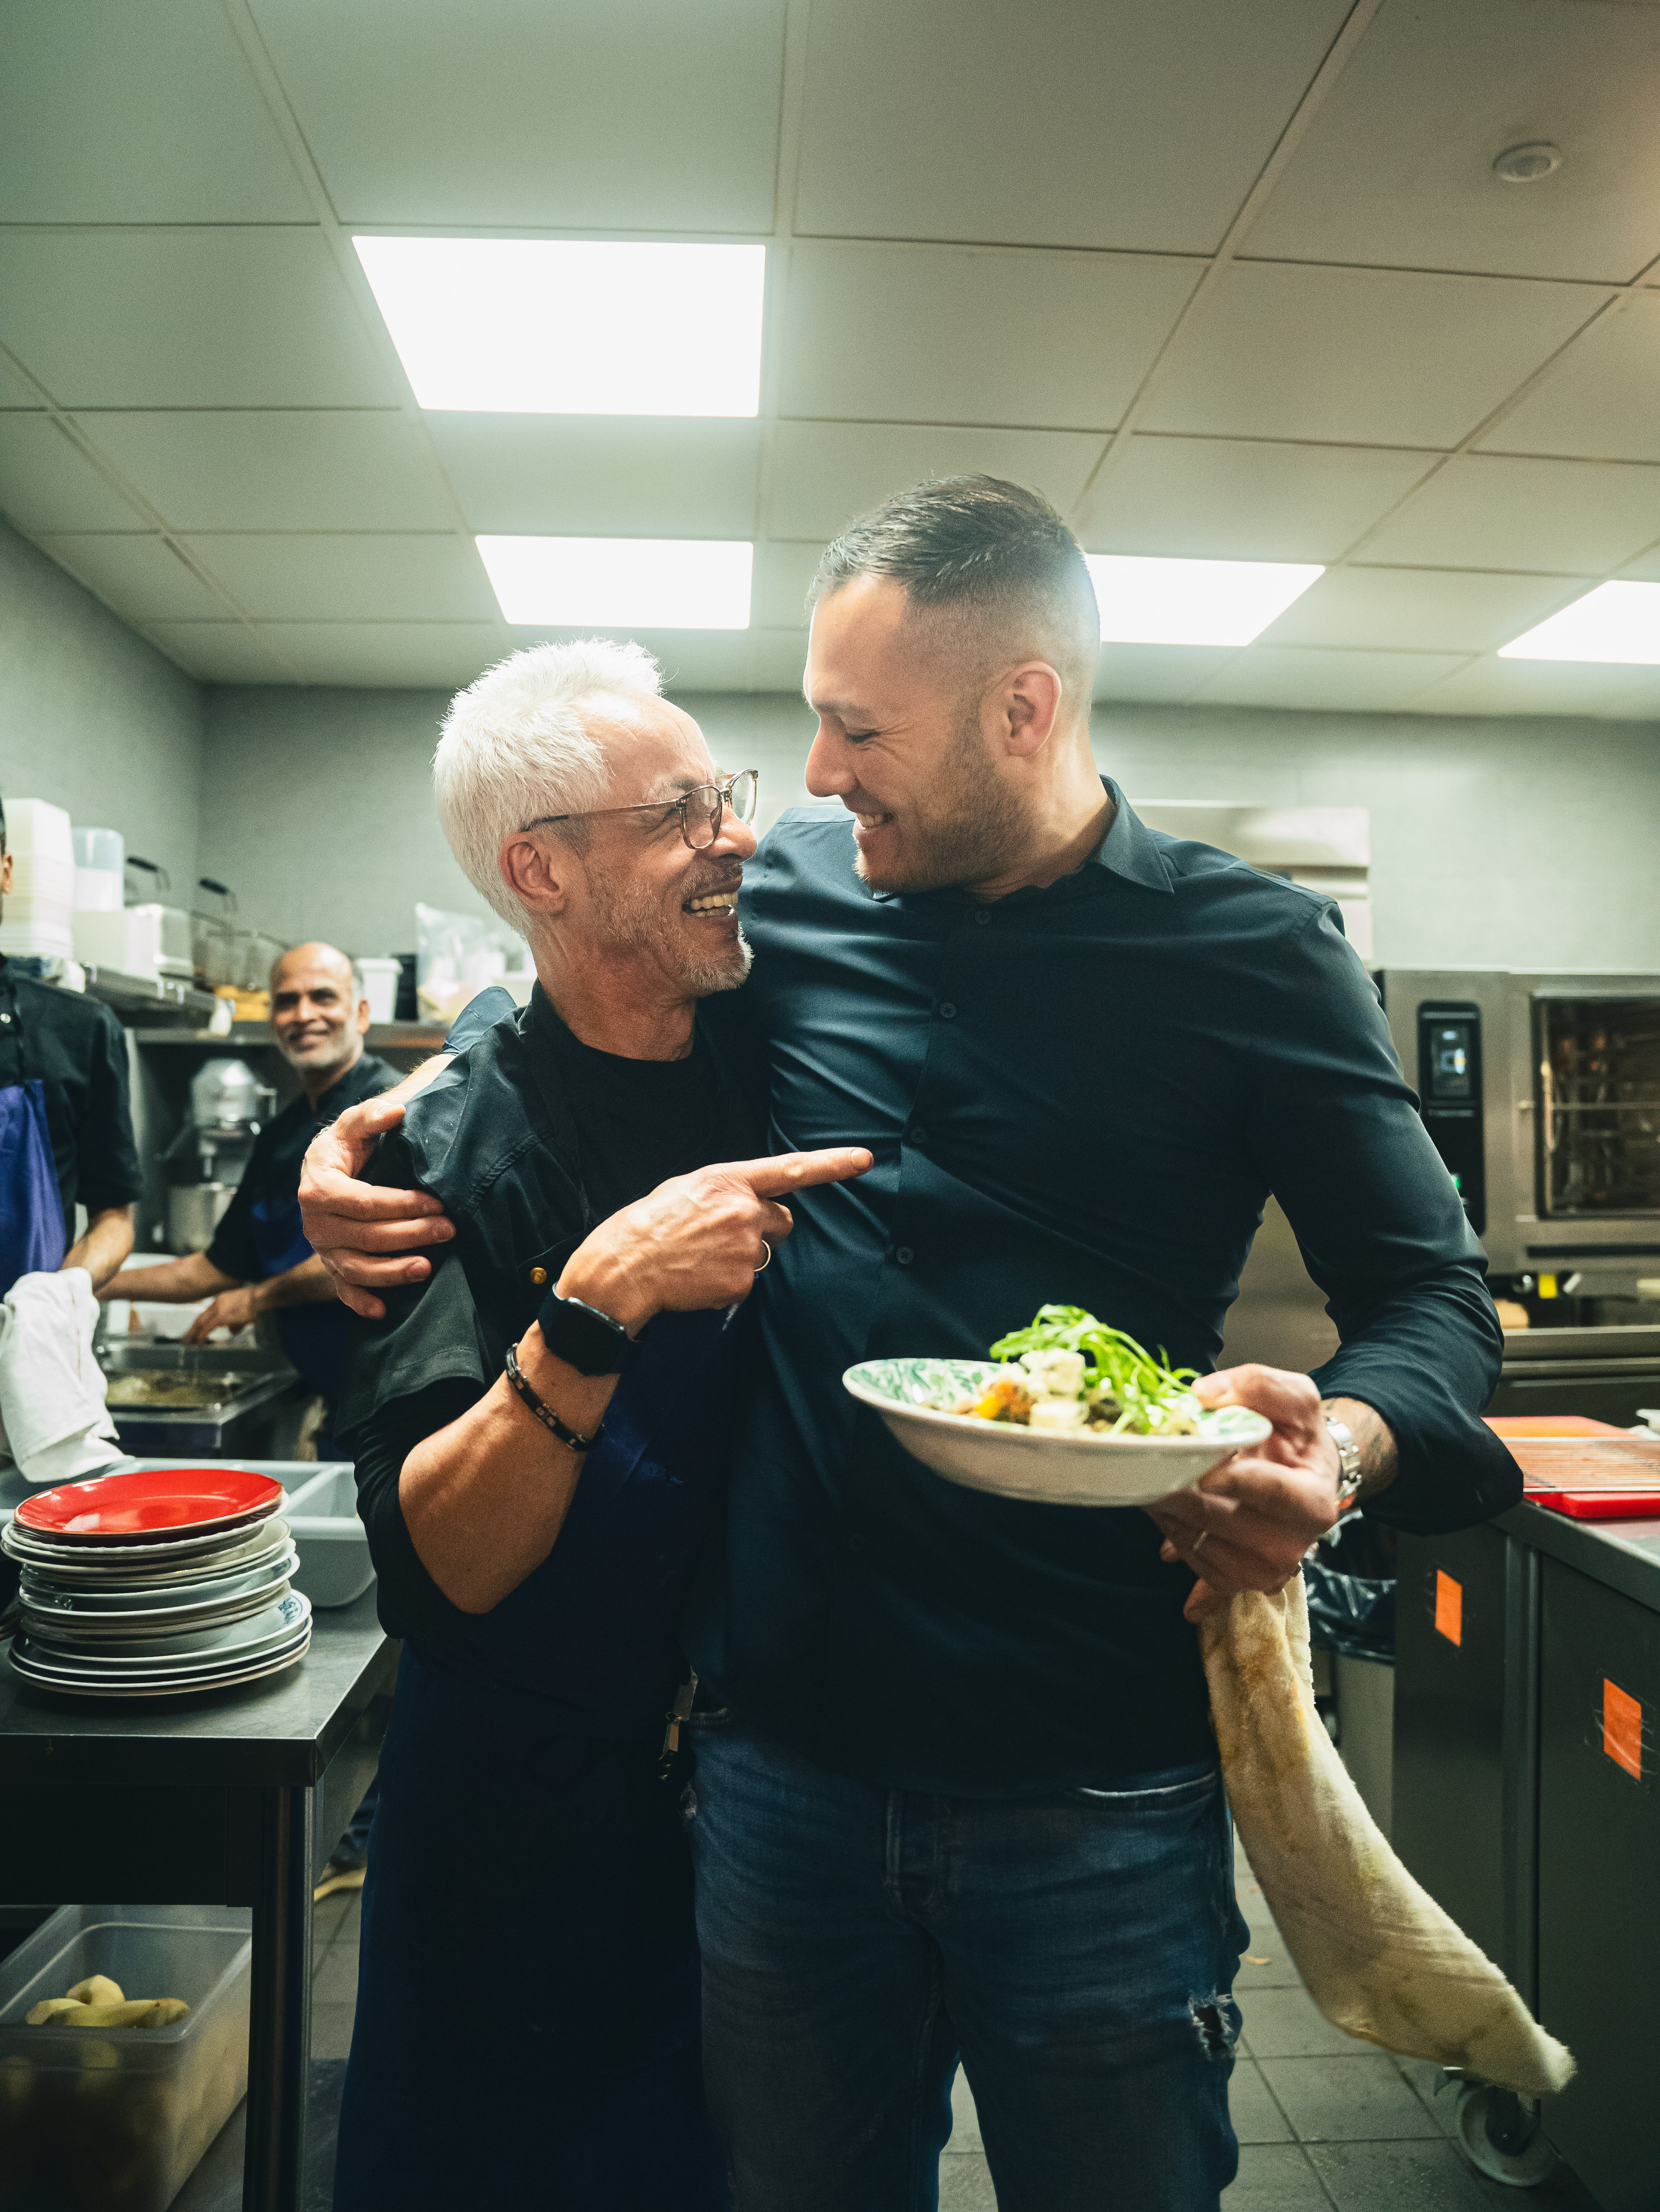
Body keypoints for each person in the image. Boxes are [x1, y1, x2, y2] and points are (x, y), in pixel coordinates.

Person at [304, 479, 1521, 2212]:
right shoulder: (787, 895)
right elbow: (570, 981)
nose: (807, 781)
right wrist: (362, 1131)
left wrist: (1335, 1449)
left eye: (855, 728)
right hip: (784, 1773)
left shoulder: (1254, 953)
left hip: (1096, 1775)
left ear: (1022, 709)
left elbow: (1432, 1301)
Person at [315, 640, 868, 2212]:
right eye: (679, 810)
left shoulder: (774, 1039)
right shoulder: (437, 1150)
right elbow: (443, 1566)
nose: (735, 836)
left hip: (761, 1788)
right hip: (521, 1810)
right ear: (537, 866)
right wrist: (594, 1305)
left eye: (726, 795)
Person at [101, 941, 397, 1457]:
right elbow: (216, 1269)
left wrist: (260, 1299)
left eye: (322, 997)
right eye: (287, 1001)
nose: (303, 1015)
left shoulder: (389, 1113)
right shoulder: (281, 1135)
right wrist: (86, 1283)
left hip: (402, 1407)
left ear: (362, 1013)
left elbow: (368, 1255)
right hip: (340, 1403)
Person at [0, 790, 139, 1305]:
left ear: (7, 872)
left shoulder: (81, 1028)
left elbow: (114, 1218)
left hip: (25, 1357)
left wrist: (59, 1296)